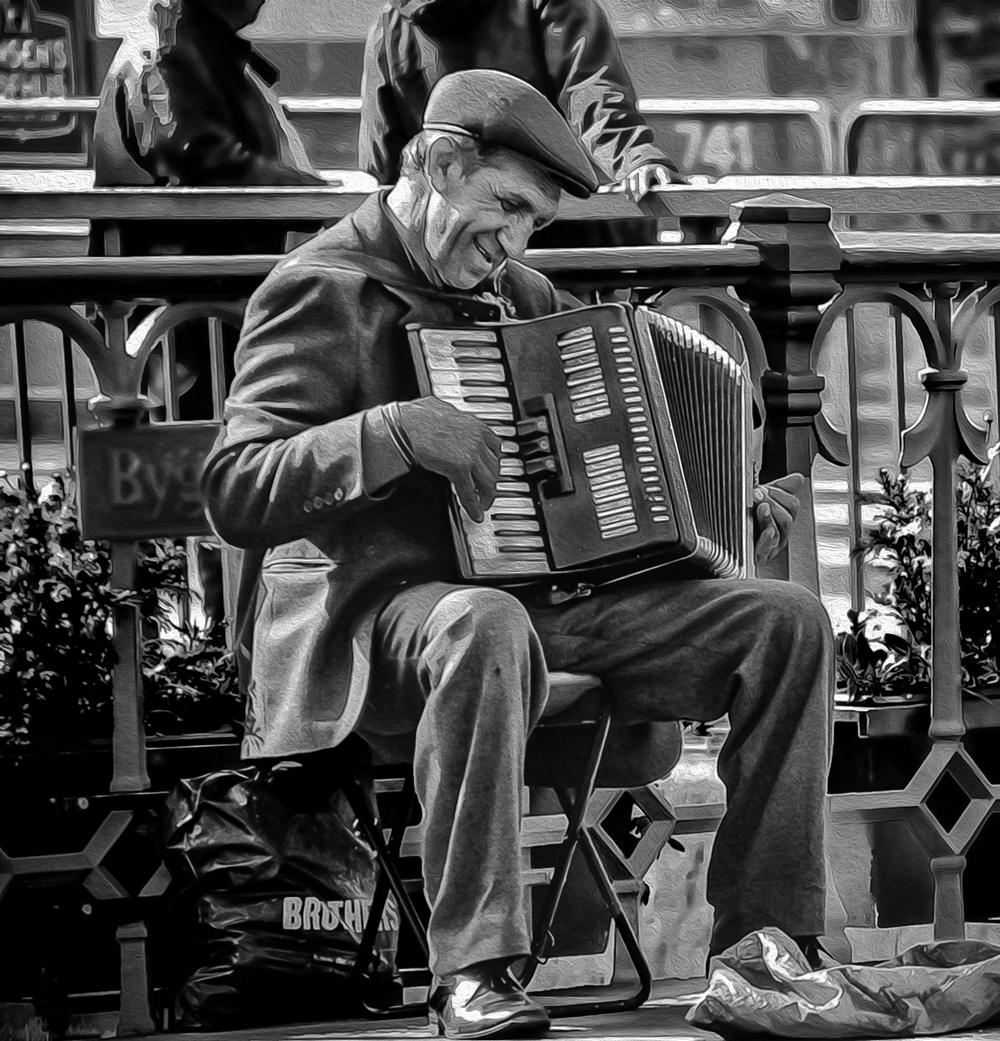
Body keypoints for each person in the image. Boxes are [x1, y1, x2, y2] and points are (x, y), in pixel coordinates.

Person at [203, 69, 834, 1040]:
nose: (512, 243)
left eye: (532, 222)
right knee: (482, 622)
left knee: (784, 623)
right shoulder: (318, 292)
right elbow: (235, 489)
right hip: (387, 618)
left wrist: (707, 519)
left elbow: (597, 488)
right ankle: (475, 975)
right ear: (439, 163)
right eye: (502, 207)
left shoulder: (519, 294)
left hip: (547, 607)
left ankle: (766, 957)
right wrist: (391, 432)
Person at [357, 0, 677, 202]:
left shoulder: (391, 29)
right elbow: (591, 93)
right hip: (555, 222)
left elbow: (383, 161)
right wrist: (636, 158)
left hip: (450, 238)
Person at [93, 0, 329, 255]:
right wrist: (313, 196)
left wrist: (312, 195)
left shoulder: (193, 44)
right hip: (185, 280)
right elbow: (202, 160)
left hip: (203, 270)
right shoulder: (168, 51)